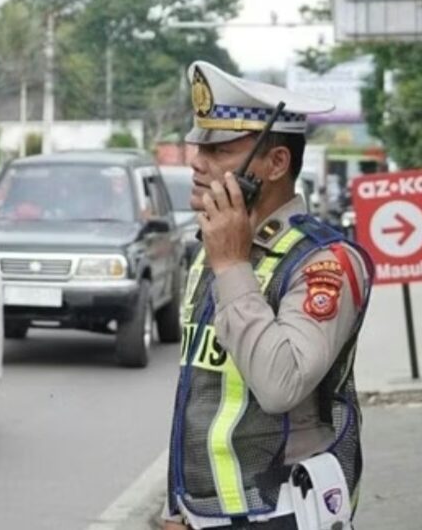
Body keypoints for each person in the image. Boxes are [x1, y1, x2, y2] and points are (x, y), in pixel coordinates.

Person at [163, 61, 374, 529]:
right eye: (199, 144)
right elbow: (199, 398)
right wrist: (176, 505)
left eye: (219, 149)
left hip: (282, 511)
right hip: (205, 512)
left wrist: (232, 266)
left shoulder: (324, 261)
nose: (196, 161)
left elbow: (281, 387)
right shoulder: (214, 248)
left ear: (276, 163)